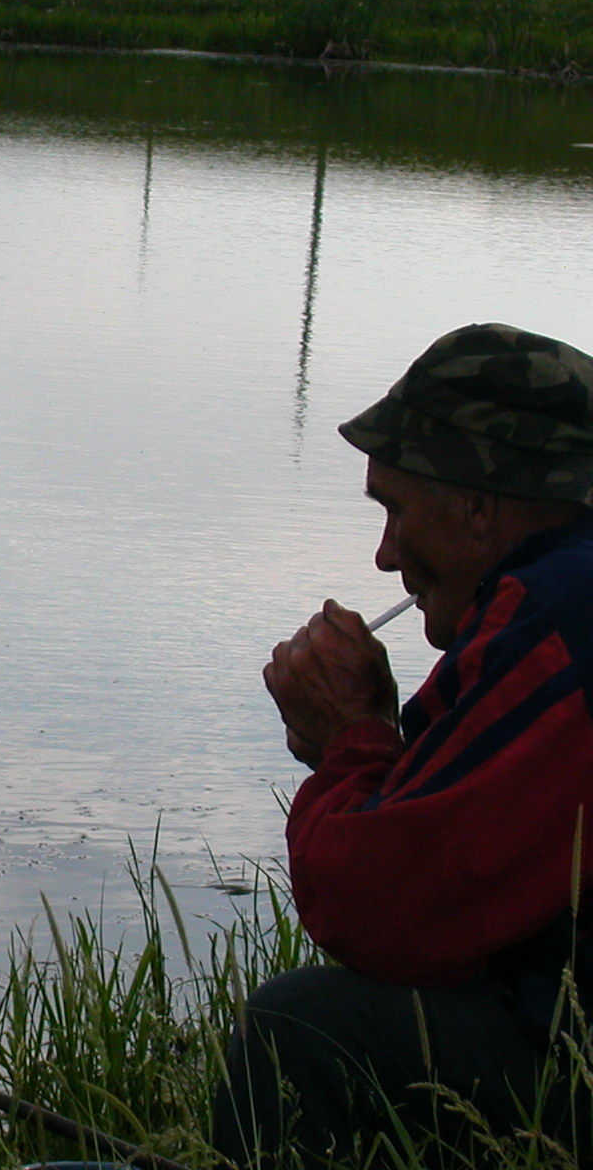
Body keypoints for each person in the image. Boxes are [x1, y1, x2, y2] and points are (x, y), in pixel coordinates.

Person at [213, 322, 593, 1168]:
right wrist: (379, 742)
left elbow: (386, 911)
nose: (385, 557)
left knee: (300, 1030)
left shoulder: (564, 611)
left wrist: (351, 741)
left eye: (393, 508)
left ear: (477, 502)